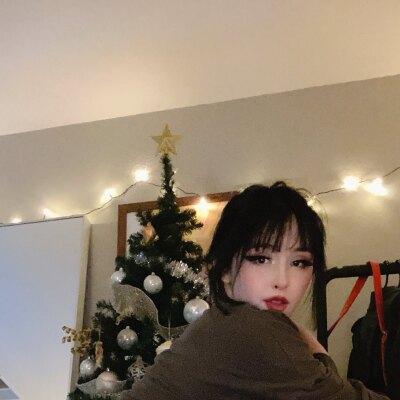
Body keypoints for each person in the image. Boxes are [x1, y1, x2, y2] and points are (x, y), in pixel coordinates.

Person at [120, 182, 388, 400]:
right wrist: (319, 354)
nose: (282, 280)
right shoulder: (251, 330)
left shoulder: (224, 320)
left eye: (299, 263)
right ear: (224, 267)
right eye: (260, 259)